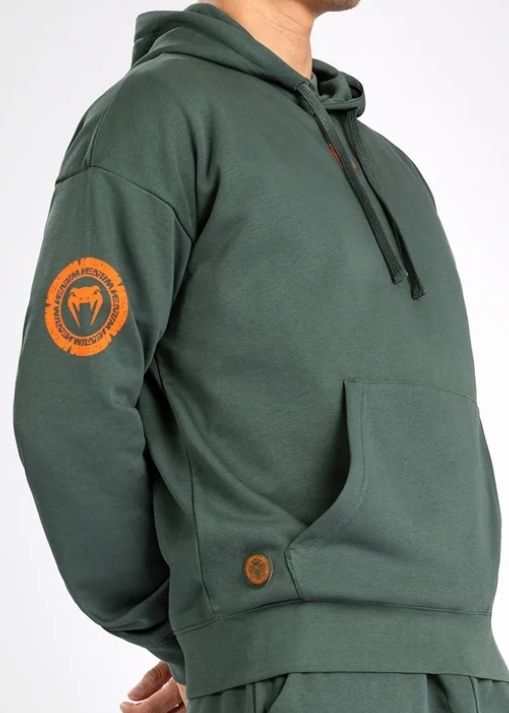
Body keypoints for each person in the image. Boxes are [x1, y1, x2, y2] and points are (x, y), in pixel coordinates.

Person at [12, 1, 509, 711]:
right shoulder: (158, 115)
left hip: (469, 666)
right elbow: (67, 407)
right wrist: (200, 629)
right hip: (302, 675)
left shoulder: (391, 165)